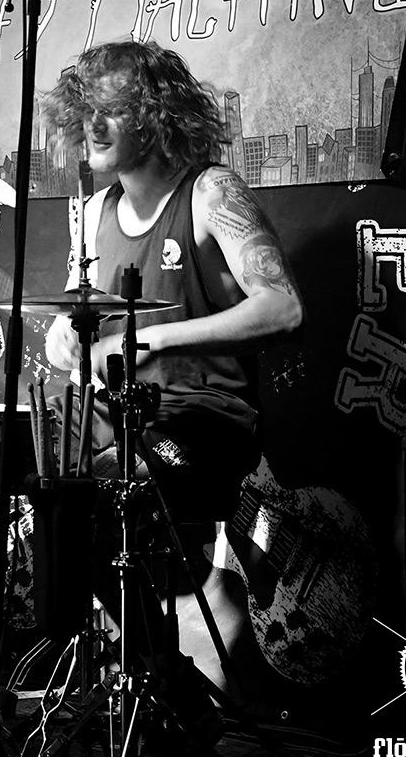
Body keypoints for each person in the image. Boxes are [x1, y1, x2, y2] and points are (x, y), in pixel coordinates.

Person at [41, 39, 303, 507]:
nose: (94, 125)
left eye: (113, 110)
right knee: (15, 451)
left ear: (156, 116)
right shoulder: (93, 211)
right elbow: (73, 318)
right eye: (89, 110)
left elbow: (284, 309)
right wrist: (63, 337)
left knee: (110, 482)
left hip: (202, 415)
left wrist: (148, 342)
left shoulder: (211, 193)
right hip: (116, 410)